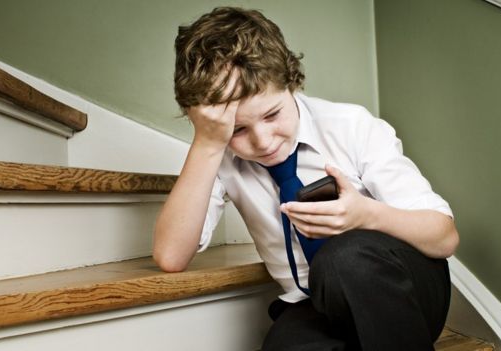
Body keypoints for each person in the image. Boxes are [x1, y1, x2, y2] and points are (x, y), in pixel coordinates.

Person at [153, 6, 459, 351]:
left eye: (272, 115)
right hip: (319, 305)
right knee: (285, 345)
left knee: (342, 258)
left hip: (407, 292)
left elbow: (444, 238)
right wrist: (208, 144)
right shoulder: (217, 153)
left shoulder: (351, 126)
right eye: (238, 129)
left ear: (292, 82)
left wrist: (366, 215)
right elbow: (171, 257)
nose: (263, 141)